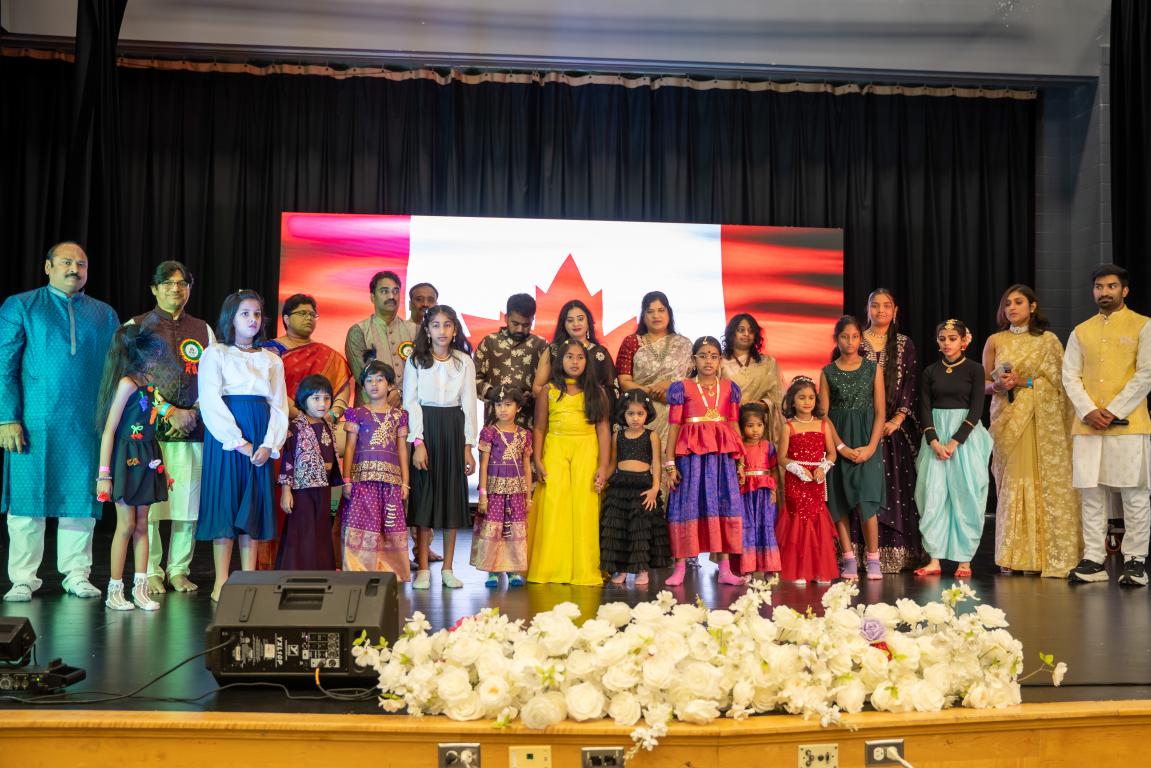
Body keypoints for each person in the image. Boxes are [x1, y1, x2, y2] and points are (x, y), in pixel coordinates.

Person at [2, 242, 119, 603]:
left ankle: (76, 574)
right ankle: (23, 578)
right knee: (27, 502)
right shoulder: (21, 306)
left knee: (81, 500)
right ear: (48, 267)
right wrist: (7, 417)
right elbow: (4, 365)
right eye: (66, 262)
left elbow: (117, 370)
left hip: (87, 424)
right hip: (33, 423)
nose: (74, 269)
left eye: (81, 264)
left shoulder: (104, 314)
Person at [196, 290, 289, 602]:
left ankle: (249, 579)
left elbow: (279, 406)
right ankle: (221, 581)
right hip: (227, 437)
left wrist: (269, 444)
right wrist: (238, 441)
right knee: (226, 502)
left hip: (260, 433)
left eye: (257, 314)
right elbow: (210, 401)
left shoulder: (272, 360)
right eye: (245, 313)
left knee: (254, 506)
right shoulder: (216, 353)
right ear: (231, 318)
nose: (252, 319)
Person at [129, 260, 214, 595]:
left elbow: (214, 379)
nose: (175, 289)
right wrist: (169, 411)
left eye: (182, 283)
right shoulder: (136, 327)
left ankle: (179, 569)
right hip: (149, 429)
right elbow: (130, 379)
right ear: (154, 289)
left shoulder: (203, 330)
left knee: (188, 505)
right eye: (167, 283)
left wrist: (192, 412)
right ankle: (150, 570)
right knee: (149, 507)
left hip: (193, 427)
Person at [983, 284, 1081, 577]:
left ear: (1033, 306)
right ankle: (1012, 554)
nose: (1012, 308)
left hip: (1039, 421)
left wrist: (1024, 383)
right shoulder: (995, 340)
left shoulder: (1048, 341)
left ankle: (1040, 556)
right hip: (1007, 419)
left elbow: (1061, 385)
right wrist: (998, 385)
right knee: (1011, 482)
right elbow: (983, 385)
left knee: (1038, 481)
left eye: (1018, 302)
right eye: (1007, 303)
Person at [1064, 264, 1151, 587]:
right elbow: (1069, 375)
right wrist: (1088, 410)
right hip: (1088, 426)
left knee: (1134, 493)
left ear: (1124, 290)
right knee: (1091, 493)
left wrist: (1112, 411)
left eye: (1111, 286)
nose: (1104, 292)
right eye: (1099, 287)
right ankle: (1093, 560)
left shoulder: (1143, 325)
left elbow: (1146, 374)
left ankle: (1135, 560)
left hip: (1129, 425)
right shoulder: (1081, 331)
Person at [260, 293, 353, 569]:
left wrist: (330, 414)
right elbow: (271, 390)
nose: (309, 318)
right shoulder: (269, 352)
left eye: (313, 314)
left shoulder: (328, 355)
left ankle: (317, 565)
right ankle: (277, 563)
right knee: (283, 505)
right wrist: (299, 415)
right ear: (286, 318)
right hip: (279, 432)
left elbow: (342, 389)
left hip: (318, 439)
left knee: (318, 515)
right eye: (302, 313)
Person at [95, 326, 171, 611]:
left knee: (142, 524)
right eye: (150, 353)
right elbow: (109, 431)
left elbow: (155, 418)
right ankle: (115, 590)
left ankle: (141, 589)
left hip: (148, 455)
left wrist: (163, 468)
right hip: (126, 459)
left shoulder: (149, 381)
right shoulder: (126, 383)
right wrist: (104, 474)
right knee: (125, 525)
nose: (155, 358)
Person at [403, 304, 478, 589]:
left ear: (455, 329)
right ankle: (423, 568)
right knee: (424, 500)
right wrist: (418, 441)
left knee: (451, 500)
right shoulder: (416, 360)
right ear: (427, 329)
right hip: (426, 428)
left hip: (453, 429)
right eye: (436, 325)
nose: (442, 331)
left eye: (447, 325)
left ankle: (448, 568)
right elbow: (411, 402)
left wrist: (468, 445)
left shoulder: (463, 361)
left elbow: (469, 404)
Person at [663, 336, 746, 587]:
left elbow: (733, 425)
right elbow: (674, 427)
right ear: (693, 360)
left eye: (713, 356)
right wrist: (670, 463)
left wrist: (741, 461)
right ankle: (680, 567)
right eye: (703, 355)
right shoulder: (682, 388)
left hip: (721, 459)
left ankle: (725, 569)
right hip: (691, 458)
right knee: (686, 506)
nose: (708, 360)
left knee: (722, 505)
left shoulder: (729, 388)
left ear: (720, 360)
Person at [914, 319, 992, 578]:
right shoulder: (930, 372)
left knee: (966, 494)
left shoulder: (975, 370)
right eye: (942, 339)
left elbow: (976, 409)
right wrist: (934, 441)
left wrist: (954, 442)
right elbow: (925, 408)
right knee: (932, 495)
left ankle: (964, 560)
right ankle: (934, 559)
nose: (947, 343)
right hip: (935, 438)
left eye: (952, 338)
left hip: (964, 439)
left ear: (964, 341)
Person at [528, 339, 611, 585]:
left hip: (587, 449)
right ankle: (551, 568)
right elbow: (540, 427)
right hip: (556, 448)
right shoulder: (548, 391)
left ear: (587, 362)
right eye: (569, 357)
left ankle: (584, 569)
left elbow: (603, 429)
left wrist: (603, 465)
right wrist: (537, 459)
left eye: (580, 357)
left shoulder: (597, 391)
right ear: (560, 361)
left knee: (584, 505)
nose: (575, 362)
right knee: (554, 503)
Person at [858, 288, 924, 573]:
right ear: (868, 309)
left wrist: (897, 419)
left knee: (895, 489)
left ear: (895, 310)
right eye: (875, 305)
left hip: (894, 431)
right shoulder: (855, 340)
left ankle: (898, 553)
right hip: (861, 429)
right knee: (863, 491)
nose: (881, 310)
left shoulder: (905, 344)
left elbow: (910, 383)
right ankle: (861, 553)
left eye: (887, 306)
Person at [821, 315, 886, 581]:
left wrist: (870, 448)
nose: (850, 341)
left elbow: (881, 413)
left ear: (861, 339)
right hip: (837, 442)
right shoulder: (828, 372)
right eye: (844, 336)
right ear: (836, 339)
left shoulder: (873, 369)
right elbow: (824, 415)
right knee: (839, 500)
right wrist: (840, 447)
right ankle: (848, 558)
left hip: (867, 440)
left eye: (855, 336)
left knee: (867, 499)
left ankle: (873, 559)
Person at [341, 360, 410, 580]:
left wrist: (405, 482)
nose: (374, 384)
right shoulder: (356, 413)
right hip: (362, 481)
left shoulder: (400, 415)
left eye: (380, 379)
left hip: (391, 483)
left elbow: (402, 449)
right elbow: (350, 447)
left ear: (390, 385)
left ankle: (391, 572)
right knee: (363, 523)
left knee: (389, 525)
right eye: (369, 380)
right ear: (362, 386)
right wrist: (347, 479)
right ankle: (360, 569)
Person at [599, 389, 671, 587]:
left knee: (640, 529)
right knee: (620, 528)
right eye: (630, 413)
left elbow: (656, 463)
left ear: (647, 414)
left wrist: (655, 488)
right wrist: (603, 479)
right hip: (620, 487)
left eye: (640, 413)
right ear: (623, 414)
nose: (635, 418)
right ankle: (621, 569)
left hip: (643, 488)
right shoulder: (618, 435)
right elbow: (613, 463)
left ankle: (642, 570)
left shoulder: (651, 436)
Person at [775, 377, 839, 584]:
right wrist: (797, 469)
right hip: (796, 481)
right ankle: (799, 570)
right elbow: (781, 457)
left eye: (811, 397)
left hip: (816, 481)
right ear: (792, 401)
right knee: (798, 521)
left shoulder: (823, 425)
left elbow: (832, 453)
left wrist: (823, 467)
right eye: (801, 397)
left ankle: (819, 569)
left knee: (817, 520)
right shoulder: (788, 427)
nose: (807, 402)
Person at [277, 375, 342, 570]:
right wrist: (286, 491)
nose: (322, 404)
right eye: (316, 398)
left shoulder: (328, 425)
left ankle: (322, 571)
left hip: (323, 487)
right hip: (302, 489)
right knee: (302, 530)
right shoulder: (295, 426)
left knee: (322, 529)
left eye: (327, 398)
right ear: (303, 399)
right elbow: (288, 460)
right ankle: (297, 572)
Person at [471, 385, 533, 587]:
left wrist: (528, 497)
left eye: (508, 404)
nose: (503, 409)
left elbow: (526, 467)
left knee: (513, 529)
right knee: (494, 528)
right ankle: (492, 570)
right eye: (498, 405)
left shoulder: (524, 435)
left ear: (518, 408)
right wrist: (483, 495)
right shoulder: (489, 433)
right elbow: (484, 465)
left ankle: (512, 569)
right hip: (495, 491)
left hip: (516, 491)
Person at [617, 291, 693, 445]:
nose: (656, 316)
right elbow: (624, 382)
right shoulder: (631, 342)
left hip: (676, 413)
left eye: (661, 310)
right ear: (643, 316)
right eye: (650, 311)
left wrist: (670, 387)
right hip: (640, 413)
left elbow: (693, 382)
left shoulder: (684, 344)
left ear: (669, 313)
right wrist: (653, 392)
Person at [474, 293, 547, 428]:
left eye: (526, 325)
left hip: (528, 426)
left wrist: (532, 396)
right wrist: (494, 394)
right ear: (506, 318)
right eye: (515, 323)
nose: (520, 329)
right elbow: (472, 379)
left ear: (533, 320)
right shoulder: (490, 343)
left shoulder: (541, 346)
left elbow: (549, 384)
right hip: (494, 425)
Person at [532, 300, 618, 414]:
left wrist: (589, 400)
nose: (576, 324)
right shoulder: (553, 351)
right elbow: (537, 388)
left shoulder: (600, 354)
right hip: (559, 415)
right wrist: (563, 403)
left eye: (580, 319)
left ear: (588, 322)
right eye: (570, 320)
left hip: (592, 415)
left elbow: (613, 391)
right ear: (564, 325)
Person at [346, 271, 416, 408]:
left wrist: (400, 392)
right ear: (372, 297)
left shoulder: (415, 330)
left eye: (395, 291)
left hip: (409, 409)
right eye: (384, 291)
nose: (391, 296)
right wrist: (390, 393)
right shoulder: (358, 331)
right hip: (369, 411)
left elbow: (422, 372)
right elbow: (362, 374)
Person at [731, 402, 782, 579]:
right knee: (747, 528)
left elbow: (774, 469)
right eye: (750, 426)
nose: (755, 430)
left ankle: (769, 569)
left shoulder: (768, 446)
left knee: (766, 526)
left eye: (759, 425)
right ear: (741, 427)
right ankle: (748, 569)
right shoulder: (739, 448)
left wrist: (774, 490)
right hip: (745, 494)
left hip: (765, 492)